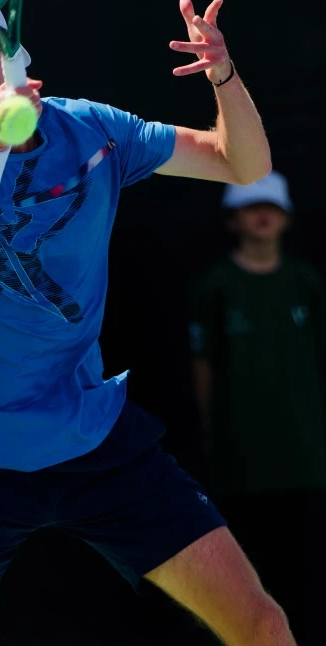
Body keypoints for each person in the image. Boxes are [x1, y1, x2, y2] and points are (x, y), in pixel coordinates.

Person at [0, 0, 291, 646]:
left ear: (12, 54)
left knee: (260, 624)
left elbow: (242, 164)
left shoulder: (92, 131)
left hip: (93, 439)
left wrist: (223, 73)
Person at [189, 170, 325, 644]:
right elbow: (203, 365)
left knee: (303, 569)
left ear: (287, 217)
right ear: (233, 218)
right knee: (247, 568)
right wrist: (211, 431)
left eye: (271, 206)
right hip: (241, 455)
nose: (262, 215)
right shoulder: (216, 286)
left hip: (304, 455)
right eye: (250, 206)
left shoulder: (305, 282)